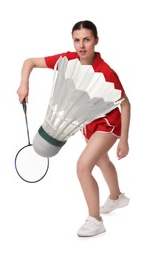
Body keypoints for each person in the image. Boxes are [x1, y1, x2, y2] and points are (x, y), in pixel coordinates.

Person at [17, 20, 131, 237]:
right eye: (77, 40)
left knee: (82, 167)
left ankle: (95, 220)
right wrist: (24, 83)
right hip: (88, 125)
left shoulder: (106, 73)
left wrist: (124, 139)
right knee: (102, 161)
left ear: (96, 41)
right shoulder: (67, 61)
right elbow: (29, 61)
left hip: (109, 124)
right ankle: (117, 198)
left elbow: (125, 104)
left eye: (87, 40)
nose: (81, 45)